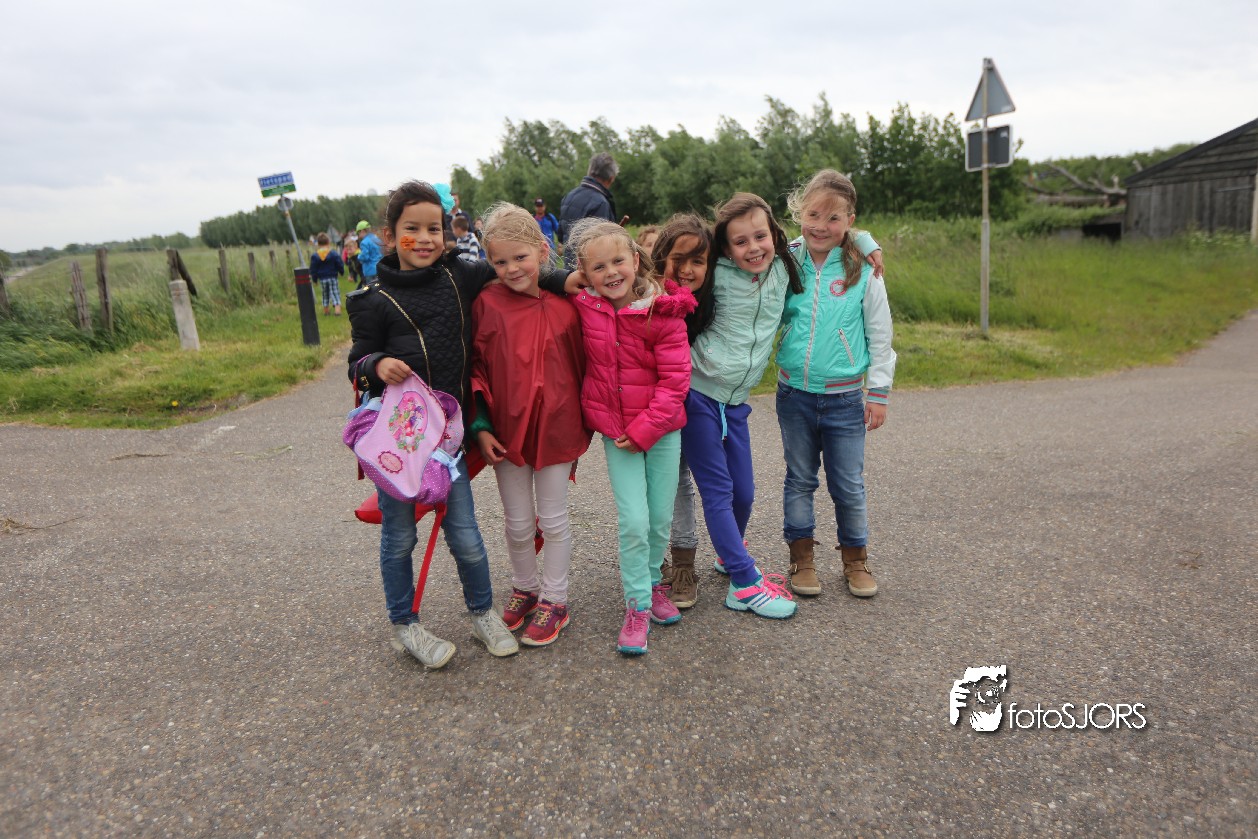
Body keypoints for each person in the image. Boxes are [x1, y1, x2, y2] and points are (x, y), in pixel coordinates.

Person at [346, 180, 568, 669]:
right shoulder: (371, 299)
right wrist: (377, 364)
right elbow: (356, 362)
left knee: (466, 536)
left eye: (435, 229)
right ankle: (405, 624)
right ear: (390, 235)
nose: (426, 239)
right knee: (400, 537)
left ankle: (482, 612)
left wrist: (565, 281)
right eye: (413, 229)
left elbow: (519, 270)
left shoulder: (459, 276)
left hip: (449, 441)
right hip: (400, 442)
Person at [681, 193, 881, 621]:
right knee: (718, 492)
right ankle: (743, 583)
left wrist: (865, 242)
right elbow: (673, 257)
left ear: (774, 235)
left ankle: (728, 553)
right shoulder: (715, 272)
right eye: (740, 242)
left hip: (737, 403)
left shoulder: (783, 265)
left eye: (760, 236)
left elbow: (824, 233)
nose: (753, 248)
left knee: (744, 494)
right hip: (698, 395)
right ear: (725, 247)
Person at [566, 218, 694, 655]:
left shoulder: (664, 311)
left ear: (636, 260)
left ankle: (654, 582)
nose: (611, 273)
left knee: (658, 518)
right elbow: (540, 276)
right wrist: (564, 280)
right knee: (634, 521)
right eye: (598, 267)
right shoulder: (584, 305)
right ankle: (637, 604)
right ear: (585, 274)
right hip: (615, 433)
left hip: (660, 432)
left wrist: (645, 430)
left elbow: (676, 382)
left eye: (618, 261)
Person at [470, 203, 591, 646]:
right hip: (506, 432)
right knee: (518, 522)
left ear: (542, 250)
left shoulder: (568, 305)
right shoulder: (486, 304)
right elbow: (475, 368)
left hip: (558, 428)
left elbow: (588, 363)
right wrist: (480, 426)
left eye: (520, 257)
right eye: (500, 262)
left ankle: (555, 599)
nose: (511, 269)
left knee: (553, 520)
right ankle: (525, 587)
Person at [776, 170, 895, 597]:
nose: (821, 226)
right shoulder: (786, 258)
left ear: (850, 221)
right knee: (799, 479)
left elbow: (880, 333)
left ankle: (856, 561)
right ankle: (802, 559)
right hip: (794, 395)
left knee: (847, 485)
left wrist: (878, 392)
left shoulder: (863, 266)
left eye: (833, 219)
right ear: (799, 213)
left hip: (845, 399)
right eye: (813, 215)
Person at [648, 214, 713, 610]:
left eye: (697, 261)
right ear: (661, 258)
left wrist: (861, 240)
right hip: (647, 405)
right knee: (649, 486)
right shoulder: (645, 294)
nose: (687, 270)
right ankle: (655, 561)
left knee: (680, 481)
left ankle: (685, 564)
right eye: (678, 259)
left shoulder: (711, 296)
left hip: (693, 402)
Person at [559, 152, 629, 267]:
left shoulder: (569, 196)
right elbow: (601, 244)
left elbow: (561, 235)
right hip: (590, 267)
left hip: (569, 267)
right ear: (611, 179)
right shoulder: (601, 203)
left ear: (590, 171)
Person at [309, 232, 345, 315]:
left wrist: (314, 279)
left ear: (318, 243)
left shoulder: (315, 255)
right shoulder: (333, 253)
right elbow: (339, 263)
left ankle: (326, 311)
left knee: (325, 294)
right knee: (335, 293)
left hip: (322, 279)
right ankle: (337, 311)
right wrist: (341, 272)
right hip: (333, 277)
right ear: (328, 242)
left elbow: (313, 269)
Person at [354, 220, 383, 286]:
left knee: (371, 289)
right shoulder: (376, 239)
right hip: (379, 268)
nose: (358, 235)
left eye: (358, 233)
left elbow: (365, 257)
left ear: (362, 231)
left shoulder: (364, 242)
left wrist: (359, 256)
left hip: (370, 271)